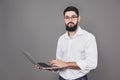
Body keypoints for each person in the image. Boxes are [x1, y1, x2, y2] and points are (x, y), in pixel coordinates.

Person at [49, 6, 98, 80]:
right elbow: (60, 63)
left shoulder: (89, 37)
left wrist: (66, 64)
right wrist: (54, 68)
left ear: (78, 18)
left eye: (73, 17)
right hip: (61, 78)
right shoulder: (61, 39)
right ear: (64, 19)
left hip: (79, 78)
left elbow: (92, 63)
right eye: (67, 17)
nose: (70, 20)